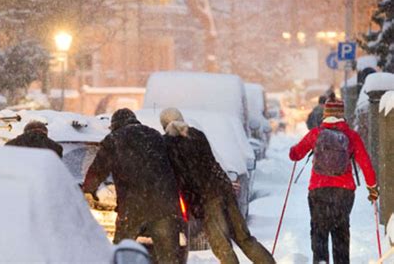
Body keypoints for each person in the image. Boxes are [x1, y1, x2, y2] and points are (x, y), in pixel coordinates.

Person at [160, 107, 275, 264]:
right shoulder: (196, 135)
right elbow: (212, 164)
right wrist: (226, 183)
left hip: (205, 200)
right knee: (244, 238)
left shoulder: (167, 143)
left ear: (163, 124)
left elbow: (180, 177)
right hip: (223, 191)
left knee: (221, 246)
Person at [82, 108, 182, 264]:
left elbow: (97, 170)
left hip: (132, 207)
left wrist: (87, 190)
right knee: (168, 256)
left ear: (114, 125)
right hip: (164, 204)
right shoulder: (155, 135)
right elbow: (175, 165)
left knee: (122, 251)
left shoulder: (114, 139)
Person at [289, 99, 379, 264]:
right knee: (341, 232)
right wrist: (372, 187)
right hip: (344, 192)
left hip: (319, 189)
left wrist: (293, 151)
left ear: (325, 114)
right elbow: (365, 163)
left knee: (319, 232)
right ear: (341, 115)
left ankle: (321, 261)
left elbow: (296, 154)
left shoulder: (316, 133)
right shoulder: (351, 136)